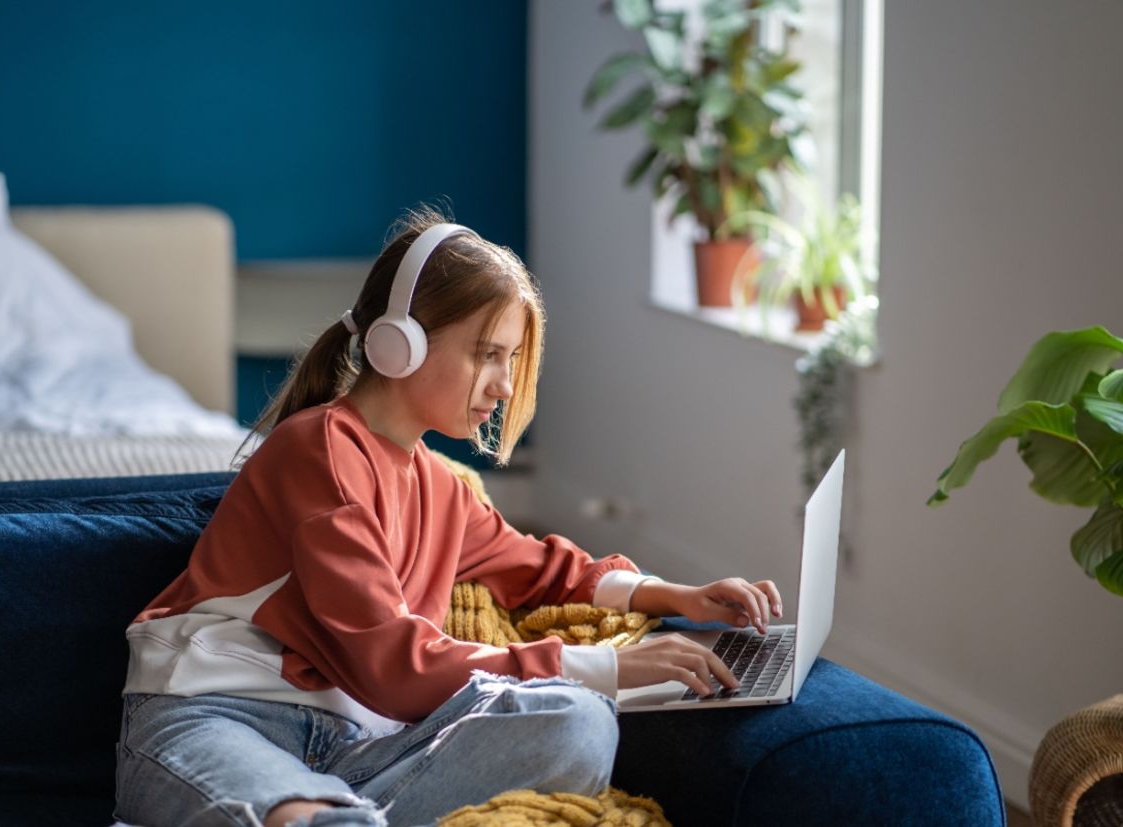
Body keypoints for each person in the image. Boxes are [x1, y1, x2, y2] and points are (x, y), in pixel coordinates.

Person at [113, 207, 783, 827]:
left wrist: (677, 595)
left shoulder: (443, 486)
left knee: (578, 721)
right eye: (486, 353)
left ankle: (335, 811)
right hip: (220, 717)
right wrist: (606, 662)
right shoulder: (318, 450)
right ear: (399, 344)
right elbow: (393, 665)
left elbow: (543, 570)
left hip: (361, 749)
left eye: (511, 360)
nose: (502, 383)